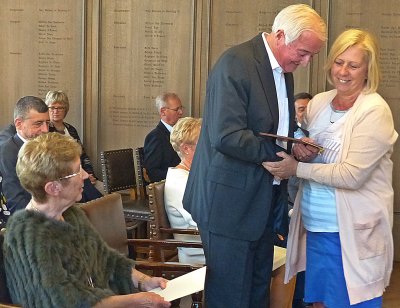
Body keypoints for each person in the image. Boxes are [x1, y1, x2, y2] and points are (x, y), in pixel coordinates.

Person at [182, 4, 327, 308]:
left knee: (257, 294)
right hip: (228, 207)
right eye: (302, 53)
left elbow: (273, 127)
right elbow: (226, 135)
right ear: (281, 35)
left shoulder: (281, 69)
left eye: (311, 56)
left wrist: (295, 145)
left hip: (261, 205)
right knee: (231, 298)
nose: (305, 62)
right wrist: (280, 153)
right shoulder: (236, 63)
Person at [263, 29, 397, 307]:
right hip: (315, 228)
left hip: (353, 234)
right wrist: (301, 151)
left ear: (367, 70)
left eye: (353, 64)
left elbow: (352, 175)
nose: (343, 71)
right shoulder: (320, 103)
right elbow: (309, 154)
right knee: (318, 303)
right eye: (339, 61)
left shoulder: (374, 110)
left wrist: (295, 169)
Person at [3, 132, 171, 308]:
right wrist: (135, 301)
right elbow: (68, 302)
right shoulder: (27, 236)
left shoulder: (72, 214)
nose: (85, 175)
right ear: (53, 188)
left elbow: (106, 259)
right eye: (77, 171)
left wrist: (144, 281)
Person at [45, 90, 104, 198]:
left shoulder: (71, 129)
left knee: (105, 190)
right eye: (52, 107)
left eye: (60, 108)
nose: (56, 111)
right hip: (66, 179)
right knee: (96, 199)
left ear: (65, 110)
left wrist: (90, 174)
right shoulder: (46, 131)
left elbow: (83, 156)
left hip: (83, 175)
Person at [0, 96, 50, 220]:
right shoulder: (7, 151)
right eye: (38, 124)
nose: (45, 129)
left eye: (47, 123)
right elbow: (15, 199)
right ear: (19, 124)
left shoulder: (46, 145)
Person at [164, 117, 205, 265]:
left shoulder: (194, 173)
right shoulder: (179, 180)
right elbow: (199, 220)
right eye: (204, 143)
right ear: (186, 149)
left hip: (209, 243)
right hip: (198, 250)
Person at [144, 93, 182, 182]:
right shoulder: (155, 137)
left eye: (181, 108)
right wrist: (179, 173)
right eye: (177, 109)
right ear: (163, 112)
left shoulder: (181, 132)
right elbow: (152, 172)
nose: (181, 112)